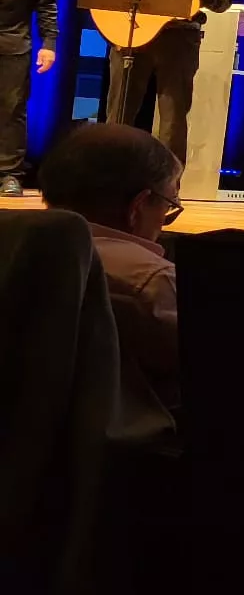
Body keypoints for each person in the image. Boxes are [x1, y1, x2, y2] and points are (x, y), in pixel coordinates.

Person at [39, 122, 184, 441]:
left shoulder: (17, 250)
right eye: (168, 208)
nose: (164, 221)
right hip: (120, 466)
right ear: (138, 207)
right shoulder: (152, 282)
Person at [103, 0, 231, 166]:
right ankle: (110, 172)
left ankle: (167, 185)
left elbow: (222, 3)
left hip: (180, 40)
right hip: (132, 37)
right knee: (120, 110)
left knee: (173, 116)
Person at [0, 0, 58, 197]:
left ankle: (9, 173)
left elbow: (46, 3)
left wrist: (49, 42)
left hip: (13, 43)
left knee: (12, 110)